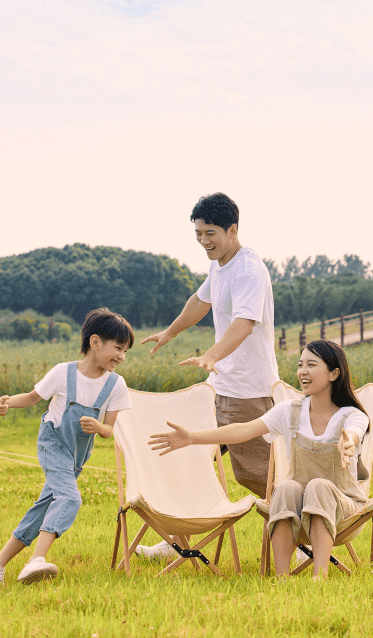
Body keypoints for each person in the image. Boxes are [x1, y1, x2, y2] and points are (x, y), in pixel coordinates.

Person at [149, 340, 370, 579]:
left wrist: (348, 442)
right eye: (300, 365)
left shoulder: (351, 415)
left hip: (344, 511)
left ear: (334, 373)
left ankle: (320, 577)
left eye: (311, 365)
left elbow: (355, 431)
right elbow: (244, 430)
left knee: (319, 486)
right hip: (299, 507)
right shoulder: (289, 411)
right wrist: (192, 437)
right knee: (285, 487)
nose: (303, 372)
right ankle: (282, 578)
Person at [138, 192, 281, 559]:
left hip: (248, 390)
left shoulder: (247, 270)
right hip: (219, 387)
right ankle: (179, 542)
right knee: (190, 458)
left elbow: (244, 323)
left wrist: (211, 356)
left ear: (232, 230)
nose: (204, 241)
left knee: (260, 475)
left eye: (210, 233)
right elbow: (201, 302)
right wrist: (170, 332)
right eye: (198, 234)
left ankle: (303, 535)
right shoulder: (220, 265)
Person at [0, 308, 134, 585]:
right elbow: (31, 398)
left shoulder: (116, 384)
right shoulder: (64, 373)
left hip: (76, 457)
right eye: (118, 348)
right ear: (95, 342)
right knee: (70, 499)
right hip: (53, 445)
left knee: (43, 508)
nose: (121, 356)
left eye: (125, 351)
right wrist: (6, 402)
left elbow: (109, 430)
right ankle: (36, 559)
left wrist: (99, 428)